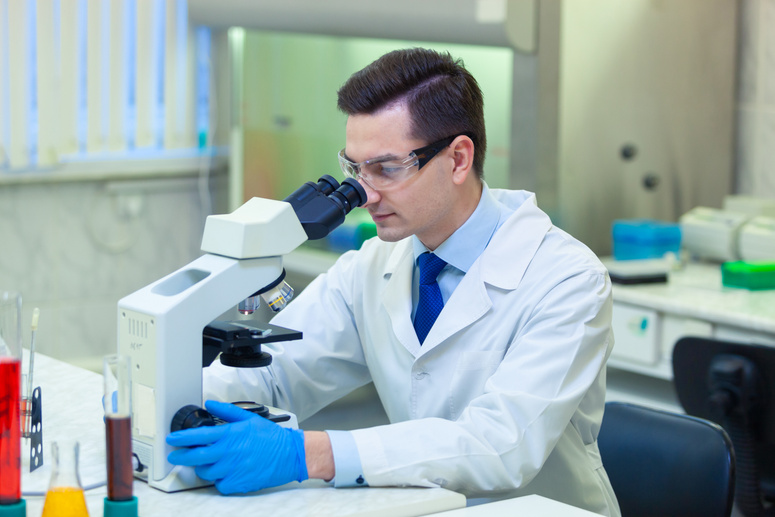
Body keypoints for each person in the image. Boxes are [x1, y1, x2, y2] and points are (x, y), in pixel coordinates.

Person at [167, 47, 620, 517]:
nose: (365, 195)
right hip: (425, 506)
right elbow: (274, 372)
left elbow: (500, 445)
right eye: (355, 170)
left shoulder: (567, 280)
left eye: (386, 169)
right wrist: (165, 399)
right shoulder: (372, 265)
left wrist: (309, 454)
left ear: (458, 159)